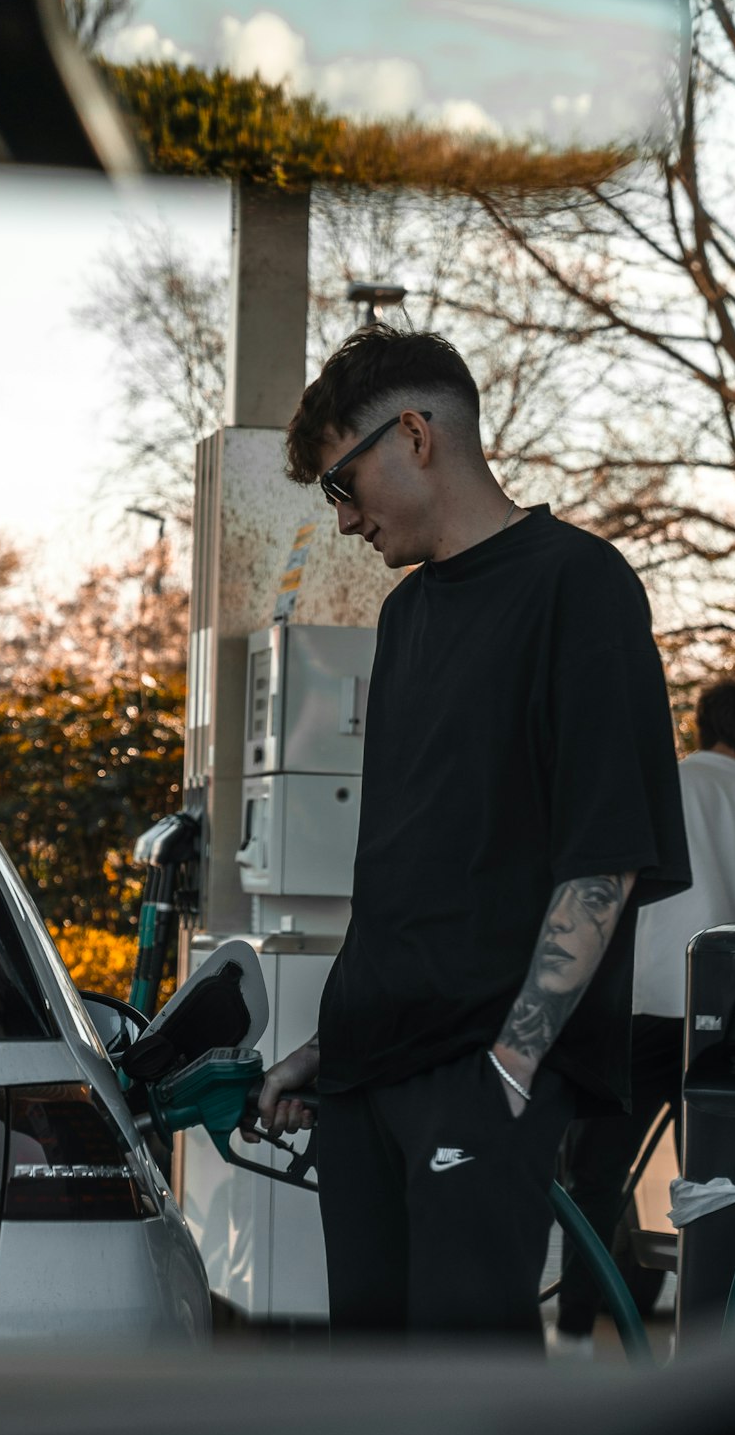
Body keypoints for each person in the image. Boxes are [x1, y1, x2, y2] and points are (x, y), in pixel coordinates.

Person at [255, 325, 691, 1345]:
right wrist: (332, 1042)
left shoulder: (577, 586)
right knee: (371, 1398)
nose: (343, 515)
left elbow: (603, 852)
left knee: (464, 1403)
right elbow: (418, 867)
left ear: (413, 433)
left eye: (341, 480)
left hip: (480, 1076)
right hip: (367, 1073)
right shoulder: (404, 619)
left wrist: (509, 1066)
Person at [554, 673, 735, 1353]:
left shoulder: (669, 786)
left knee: (597, 1177)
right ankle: (710, 1338)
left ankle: (575, 1333)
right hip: (728, 1029)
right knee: (718, 1187)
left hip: (643, 1009)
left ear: (700, 727)